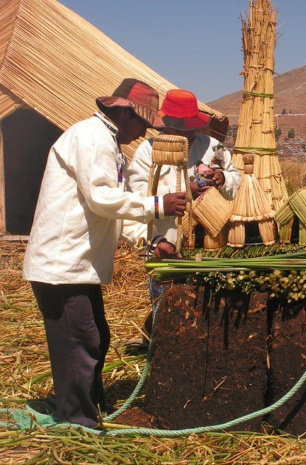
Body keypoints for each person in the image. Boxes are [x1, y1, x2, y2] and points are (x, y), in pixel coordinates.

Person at [22, 79, 188, 427]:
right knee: (80, 339)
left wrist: (150, 243)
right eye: (142, 123)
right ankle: (78, 419)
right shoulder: (92, 137)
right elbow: (102, 198)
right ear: (125, 113)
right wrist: (157, 205)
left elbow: (111, 213)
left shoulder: (107, 143)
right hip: (61, 263)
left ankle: (87, 404)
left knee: (95, 333)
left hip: (77, 263)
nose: (143, 132)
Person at [125, 88, 240, 258]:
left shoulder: (213, 147)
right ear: (166, 125)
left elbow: (237, 181)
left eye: (190, 128)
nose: (185, 134)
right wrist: (186, 192)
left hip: (212, 245)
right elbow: (137, 198)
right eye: (179, 129)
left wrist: (223, 179)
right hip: (165, 246)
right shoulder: (148, 151)